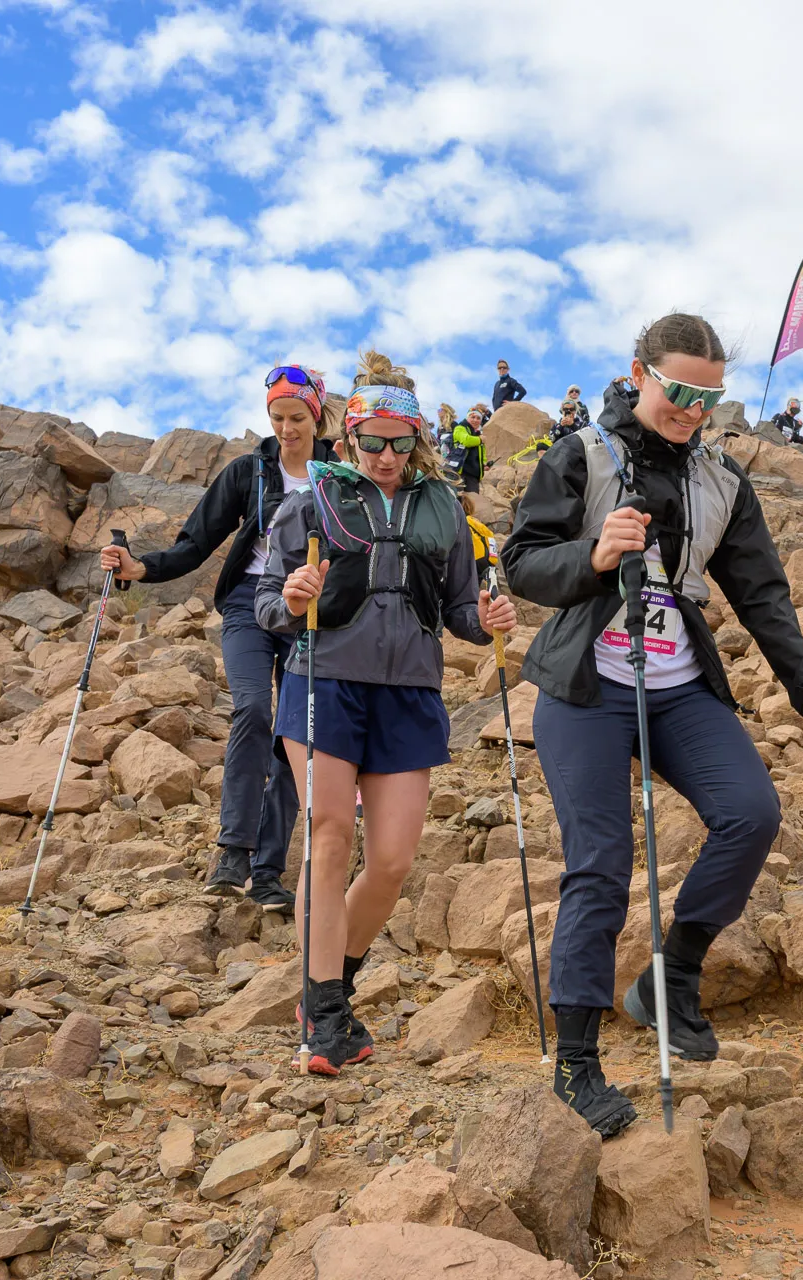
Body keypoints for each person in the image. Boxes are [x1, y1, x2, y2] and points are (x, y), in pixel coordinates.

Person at [503, 312, 803, 1136]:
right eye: (678, 391)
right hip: (585, 685)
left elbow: (761, 592)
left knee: (752, 813)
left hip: (678, 685)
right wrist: (595, 555)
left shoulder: (724, 479)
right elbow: (521, 561)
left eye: (710, 397)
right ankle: (577, 1065)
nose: (692, 410)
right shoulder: (580, 454)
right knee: (601, 864)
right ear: (639, 374)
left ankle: (670, 978)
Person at [258, 352, 516, 1075]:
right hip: (323, 681)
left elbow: (460, 610)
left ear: (416, 441)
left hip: (410, 692)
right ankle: (323, 1014)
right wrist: (294, 599)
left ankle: (332, 986)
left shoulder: (445, 509)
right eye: (371, 442)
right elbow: (267, 602)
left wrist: (488, 618)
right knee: (329, 835)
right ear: (349, 438)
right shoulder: (310, 501)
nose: (385, 457)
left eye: (400, 444)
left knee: (395, 861)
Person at [98, 365, 342, 911]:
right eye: (277, 418)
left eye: (297, 418)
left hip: (310, 608)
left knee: (294, 731)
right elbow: (196, 542)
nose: (286, 429)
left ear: (316, 417)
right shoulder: (248, 472)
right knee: (253, 709)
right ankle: (234, 851)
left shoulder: (339, 475)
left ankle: (269, 871)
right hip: (248, 603)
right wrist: (140, 568)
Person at [451, 405, 487, 494]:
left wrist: (484, 464)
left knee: (473, 499)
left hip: (473, 475)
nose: (475, 420)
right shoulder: (460, 428)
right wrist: (480, 440)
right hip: (459, 472)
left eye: (478, 418)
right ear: (467, 418)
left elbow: (482, 452)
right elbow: (466, 441)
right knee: (457, 498)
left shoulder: (478, 434)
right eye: (473, 417)